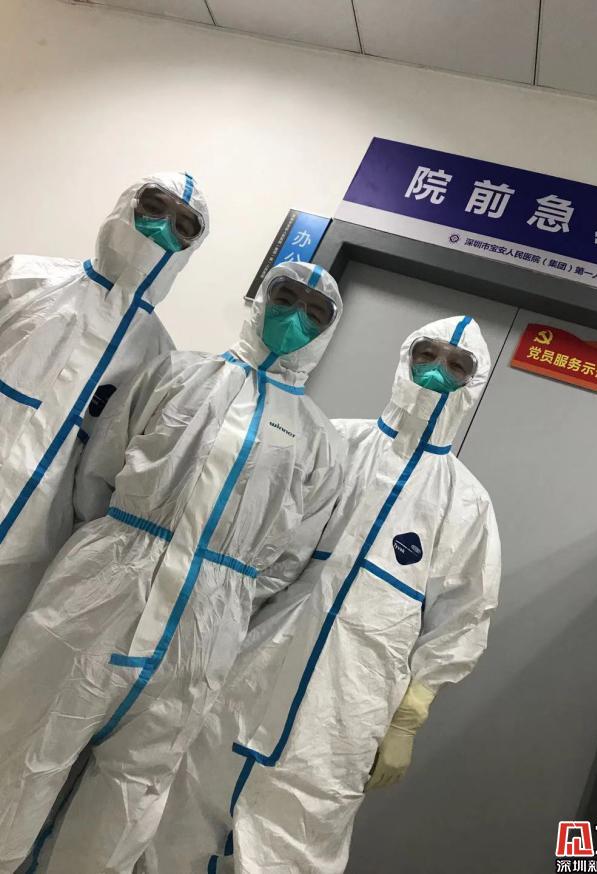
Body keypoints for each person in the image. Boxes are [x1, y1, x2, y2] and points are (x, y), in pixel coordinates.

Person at [0, 261, 346, 874]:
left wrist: (222, 591)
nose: (295, 317)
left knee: (132, 788)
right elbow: (100, 471)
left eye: (314, 313)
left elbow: (288, 558)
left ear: (326, 332)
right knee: (25, 742)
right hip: (102, 586)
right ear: (259, 299)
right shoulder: (177, 372)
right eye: (285, 296)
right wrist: (120, 552)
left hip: (203, 628)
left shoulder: (320, 441)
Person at [143, 314, 502, 874]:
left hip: (344, 709)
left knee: (298, 840)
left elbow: (464, 619)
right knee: (184, 807)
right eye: (427, 356)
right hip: (249, 670)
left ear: (472, 386)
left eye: (457, 366)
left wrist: (408, 718)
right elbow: (255, 547)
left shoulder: (466, 504)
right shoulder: (333, 442)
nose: (437, 373)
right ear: (405, 358)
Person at [0, 172, 208, 655]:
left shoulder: (160, 359)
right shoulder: (24, 280)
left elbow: (112, 476)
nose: (162, 228)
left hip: (29, 548)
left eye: (183, 226)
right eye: (154, 207)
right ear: (125, 205)